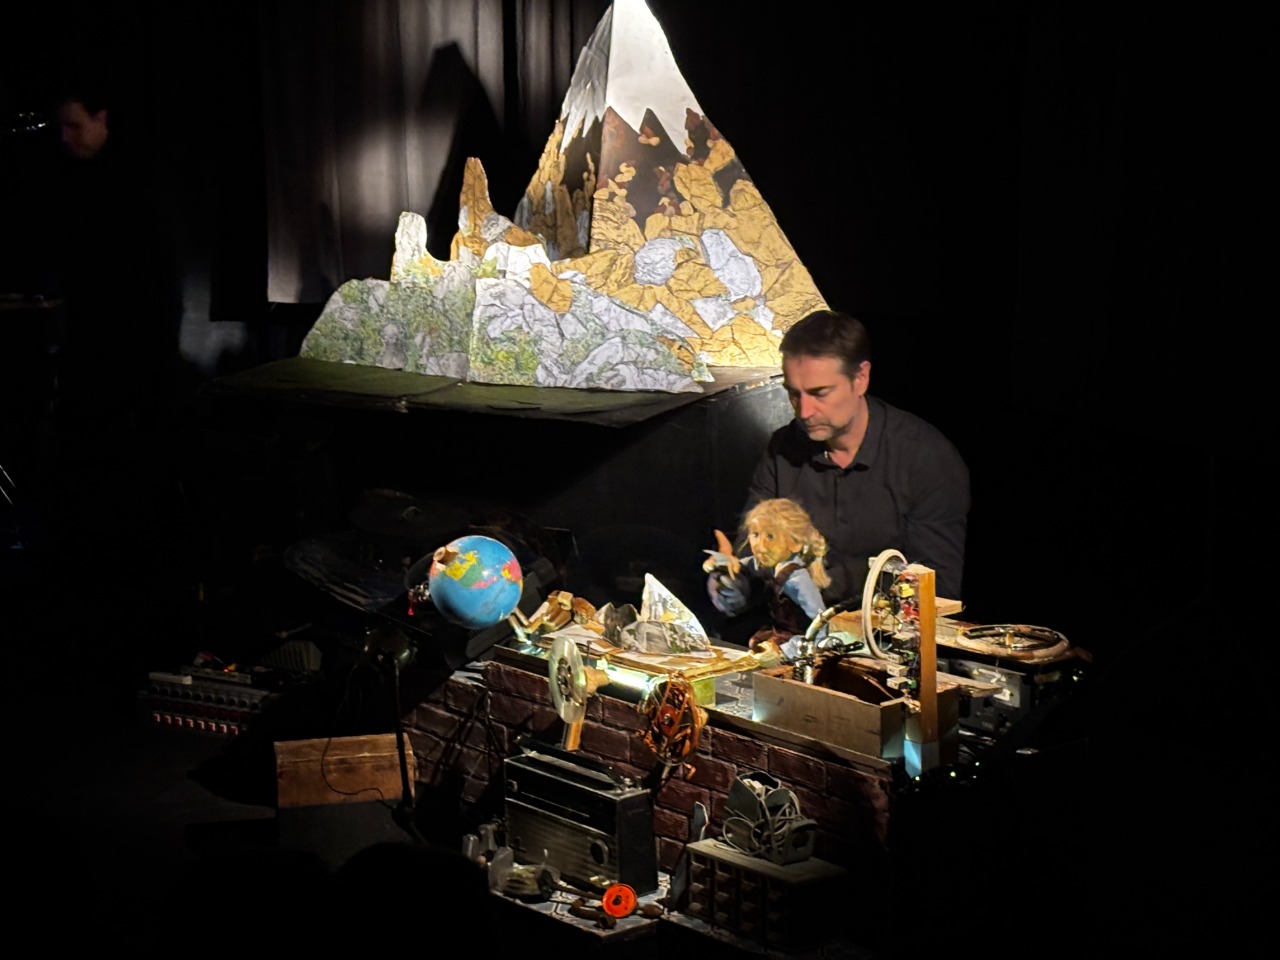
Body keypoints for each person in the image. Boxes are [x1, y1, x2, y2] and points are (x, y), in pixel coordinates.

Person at [707, 309, 970, 639]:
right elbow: (753, 551)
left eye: (820, 393)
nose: (804, 411)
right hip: (793, 641)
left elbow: (936, 594)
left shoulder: (926, 459)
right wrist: (734, 582)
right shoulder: (782, 449)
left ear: (860, 379)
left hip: (882, 647)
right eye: (794, 393)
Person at [703, 498, 835, 660]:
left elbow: (820, 620)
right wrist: (721, 563)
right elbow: (739, 566)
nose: (760, 546)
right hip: (778, 633)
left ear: (795, 543)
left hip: (798, 642)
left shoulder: (797, 579)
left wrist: (807, 648)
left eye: (770, 537)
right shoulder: (764, 564)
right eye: (755, 535)